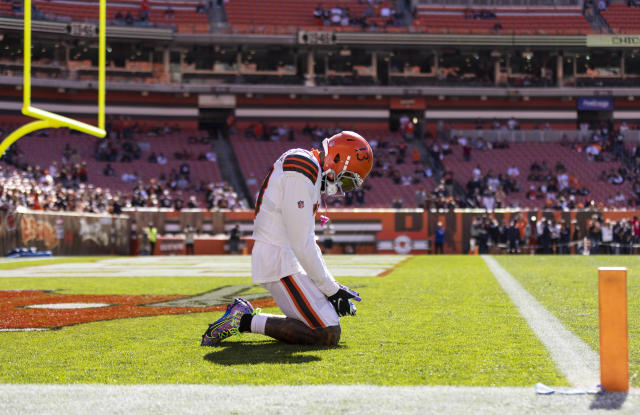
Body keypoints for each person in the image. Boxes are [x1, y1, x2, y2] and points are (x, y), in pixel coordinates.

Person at [202, 131, 373, 347]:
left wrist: (332, 287)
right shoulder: (303, 166)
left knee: (328, 319)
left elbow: (305, 240)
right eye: (346, 179)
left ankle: (245, 318)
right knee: (325, 331)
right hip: (278, 258)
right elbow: (301, 241)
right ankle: (242, 320)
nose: (341, 187)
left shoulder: (310, 171)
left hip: (287, 257)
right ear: (336, 159)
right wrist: (332, 289)